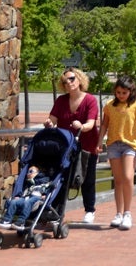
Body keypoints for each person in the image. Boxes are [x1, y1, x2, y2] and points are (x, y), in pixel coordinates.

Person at [43, 67, 100, 224]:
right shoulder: (61, 101)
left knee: (87, 178)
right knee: (62, 178)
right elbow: (52, 119)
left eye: (71, 79)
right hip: (66, 146)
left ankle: (89, 210)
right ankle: (56, 212)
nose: (68, 83)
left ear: (79, 79)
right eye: (65, 81)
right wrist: (49, 123)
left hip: (87, 145)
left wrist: (81, 126)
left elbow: (90, 123)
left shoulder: (90, 100)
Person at [100, 76, 136, 230]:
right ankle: (118, 213)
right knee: (118, 180)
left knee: (128, 176)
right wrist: (99, 141)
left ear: (131, 91)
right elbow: (104, 124)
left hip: (130, 144)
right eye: (118, 92)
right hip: (114, 144)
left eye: (124, 92)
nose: (120, 95)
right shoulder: (109, 105)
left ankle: (128, 212)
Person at [0, 166, 52, 230]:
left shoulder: (44, 180)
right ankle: (7, 220)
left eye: (31, 172)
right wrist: (18, 196)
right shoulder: (28, 182)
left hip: (37, 197)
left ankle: (21, 221)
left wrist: (45, 195)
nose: (28, 173)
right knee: (13, 201)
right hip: (26, 197)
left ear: (37, 173)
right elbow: (23, 191)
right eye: (27, 172)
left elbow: (48, 187)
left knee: (28, 202)